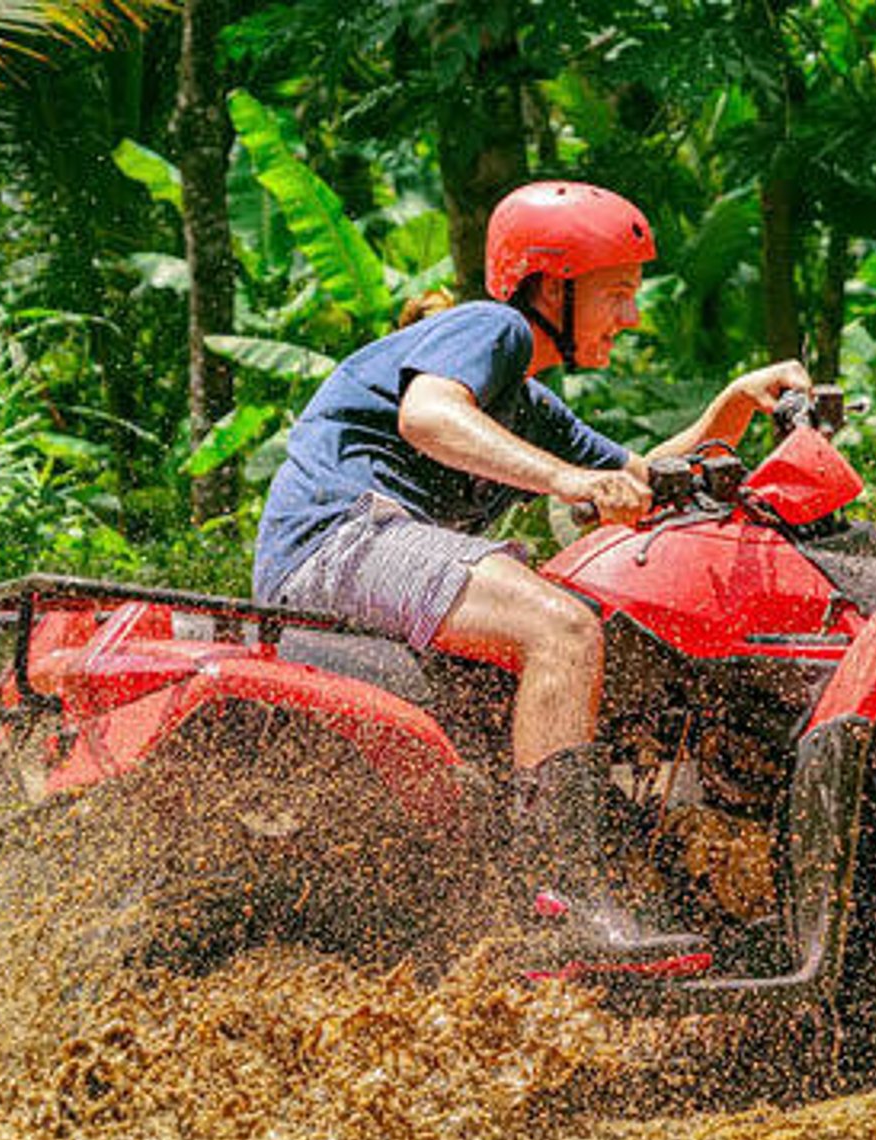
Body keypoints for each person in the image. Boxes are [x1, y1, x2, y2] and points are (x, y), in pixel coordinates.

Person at [253, 180, 811, 962]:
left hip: (370, 552)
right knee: (560, 625)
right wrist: (566, 482)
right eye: (617, 293)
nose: (633, 316)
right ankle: (560, 897)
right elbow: (428, 416)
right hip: (338, 540)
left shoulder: (527, 403)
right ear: (554, 284)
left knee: (583, 630)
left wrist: (733, 407)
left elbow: (643, 477)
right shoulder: (490, 327)